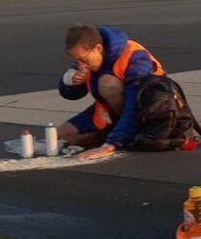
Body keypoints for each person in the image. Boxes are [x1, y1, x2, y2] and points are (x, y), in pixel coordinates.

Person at [56, 24, 165, 160]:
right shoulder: (89, 58)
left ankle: (126, 134)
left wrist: (113, 144)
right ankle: (112, 132)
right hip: (109, 109)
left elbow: (134, 103)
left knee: (107, 83)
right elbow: (72, 95)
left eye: (83, 60)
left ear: (98, 48)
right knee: (63, 134)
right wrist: (69, 82)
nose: (81, 65)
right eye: (77, 61)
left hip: (149, 110)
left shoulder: (134, 56)